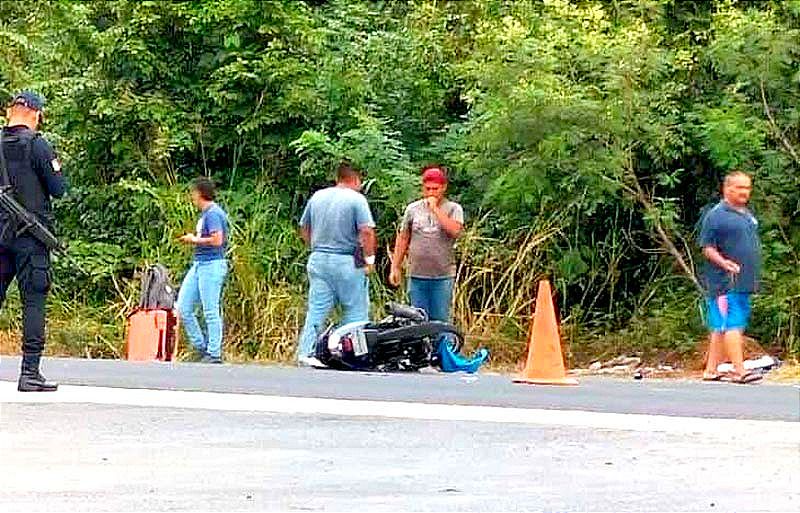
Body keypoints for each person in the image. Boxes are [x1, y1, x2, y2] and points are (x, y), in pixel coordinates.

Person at [0, 92, 66, 392]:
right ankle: (29, 372)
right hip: (31, 239)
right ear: (35, 114)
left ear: (8, 112)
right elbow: (58, 189)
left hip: (0, 236)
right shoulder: (38, 145)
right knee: (34, 301)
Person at [296, 162, 376, 366]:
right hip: (348, 259)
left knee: (316, 310)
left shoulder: (318, 196)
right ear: (356, 179)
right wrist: (369, 259)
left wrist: (314, 245)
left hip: (319, 258)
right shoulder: (357, 199)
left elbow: (304, 227)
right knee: (356, 310)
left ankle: (305, 353)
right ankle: (351, 355)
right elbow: (366, 231)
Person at [698, 171, 762, 384]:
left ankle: (711, 370)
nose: (745, 192)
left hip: (743, 281)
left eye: (747, 188)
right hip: (725, 282)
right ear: (727, 189)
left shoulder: (745, 214)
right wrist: (724, 263)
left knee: (721, 326)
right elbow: (707, 247)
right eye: (740, 188)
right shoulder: (716, 215)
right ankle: (740, 371)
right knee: (732, 324)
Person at [390, 165, 464, 321]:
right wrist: (395, 267)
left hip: (442, 275)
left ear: (443, 188)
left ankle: (442, 345)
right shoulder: (412, 209)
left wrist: (435, 209)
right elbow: (403, 237)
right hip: (417, 274)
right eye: (428, 189)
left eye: (435, 189)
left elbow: (455, 231)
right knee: (417, 319)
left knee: (440, 319)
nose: (431, 193)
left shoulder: (454, 209)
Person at [176, 177, 229, 364]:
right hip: (199, 263)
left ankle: (214, 352)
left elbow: (217, 240)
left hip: (212, 264)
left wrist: (194, 240)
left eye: (193, 193)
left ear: (200, 193)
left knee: (210, 309)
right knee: (183, 307)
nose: (192, 197)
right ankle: (200, 346)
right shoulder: (205, 214)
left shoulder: (214, 213)